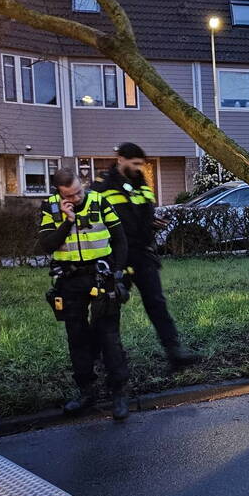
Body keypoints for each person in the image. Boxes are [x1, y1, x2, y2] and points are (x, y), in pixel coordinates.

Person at [91, 143, 201, 369]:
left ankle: (175, 352)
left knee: (157, 303)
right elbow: (95, 220)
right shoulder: (103, 186)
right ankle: (99, 355)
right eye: (135, 163)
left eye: (141, 164)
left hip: (142, 253)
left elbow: (142, 214)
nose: (138, 168)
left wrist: (152, 223)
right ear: (120, 159)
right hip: (116, 256)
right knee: (108, 308)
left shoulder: (141, 184)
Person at [38, 169, 132, 421]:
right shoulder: (51, 208)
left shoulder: (100, 201)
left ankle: (119, 393)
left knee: (109, 335)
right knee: (77, 336)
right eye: (70, 195)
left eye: (79, 191)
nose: (77, 197)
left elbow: (120, 239)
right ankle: (86, 392)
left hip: (101, 276)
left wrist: (118, 272)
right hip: (69, 280)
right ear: (60, 193)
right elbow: (47, 245)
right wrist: (68, 220)